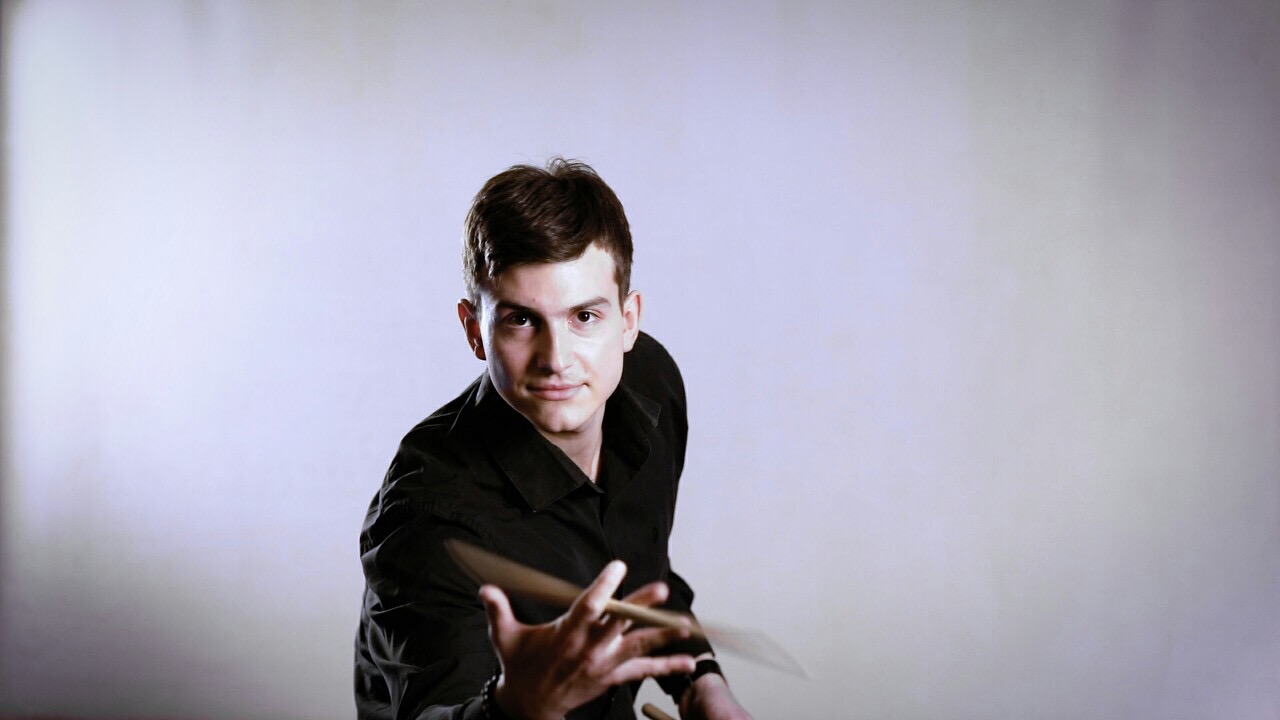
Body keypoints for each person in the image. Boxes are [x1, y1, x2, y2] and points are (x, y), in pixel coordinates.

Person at [354, 159, 752, 720]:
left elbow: (643, 570)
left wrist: (700, 682)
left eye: (584, 316)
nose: (557, 360)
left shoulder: (653, 387)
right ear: (473, 330)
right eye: (521, 320)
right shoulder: (427, 512)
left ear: (628, 321)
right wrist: (517, 706)